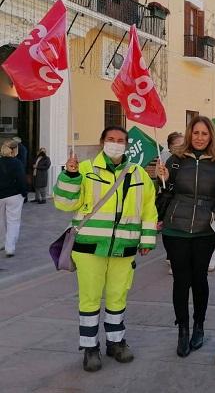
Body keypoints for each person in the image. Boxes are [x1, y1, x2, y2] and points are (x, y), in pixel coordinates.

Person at [53, 126, 158, 372]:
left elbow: (149, 209)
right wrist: (70, 177)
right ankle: (90, 348)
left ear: (127, 144)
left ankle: (116, 342)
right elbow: (64, 203)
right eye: (111, 139)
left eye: (121, 140)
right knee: (89, 298)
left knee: (117, 296)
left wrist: (147, 239)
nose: (115, 143)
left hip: (125, 247)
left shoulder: (138, 173)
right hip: (89, 248)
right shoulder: (85, 169)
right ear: (102, 142)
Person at [156, 116, 215, 358]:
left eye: (204, 133)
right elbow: (167, 192)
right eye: (196, 133)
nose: (199, 137)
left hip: (204, 229)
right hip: (175, 227)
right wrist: (161, 178)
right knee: (181, 280)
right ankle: (183, 330)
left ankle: (199, 325)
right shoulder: (176, 159)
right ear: (190, 134)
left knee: (199, 279)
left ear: (211, 136)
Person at [159, 131, 185, 275]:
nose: (182, 147)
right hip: (170, 201)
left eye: (184, 144)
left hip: (184, 204)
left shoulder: (189, 159)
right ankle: (171, 256)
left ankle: (176, 259)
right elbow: (164, 184)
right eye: (178, 145)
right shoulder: (169, 161)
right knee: (169, 232)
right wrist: (162, 178)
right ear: (170, 147)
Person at [0, 140, 27, 257]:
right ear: (14, 150)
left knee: (0, 221)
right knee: (13, 221)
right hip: (14, 195)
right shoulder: (17, 163)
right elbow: (22, 179)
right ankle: (9, 248)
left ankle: (1, 243)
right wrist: (24, 193)